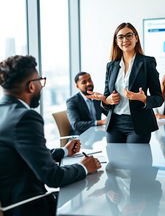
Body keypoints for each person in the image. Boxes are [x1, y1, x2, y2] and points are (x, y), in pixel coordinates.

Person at [0, 55, 101, 216]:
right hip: (29, 206)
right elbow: (53, 177)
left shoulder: (4, 112)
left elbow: (25, 154)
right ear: (31, 86)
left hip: (11, 200)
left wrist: (64, 152)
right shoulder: (25, 117)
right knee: (95, 203)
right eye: (40, 80)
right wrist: (84, 167)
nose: (41, 85)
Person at [87, 22, 163, 143]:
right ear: (116, 41)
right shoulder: (111, 66)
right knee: (115, 161)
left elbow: (159, 99)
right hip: (114, 124)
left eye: (129, 35)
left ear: (136, 38)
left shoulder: (147, 62)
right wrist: (106, 100)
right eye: (120, 37)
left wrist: (143, 98)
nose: (125, 40)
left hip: (138, 124)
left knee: (136, 161)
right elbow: (107, 97)